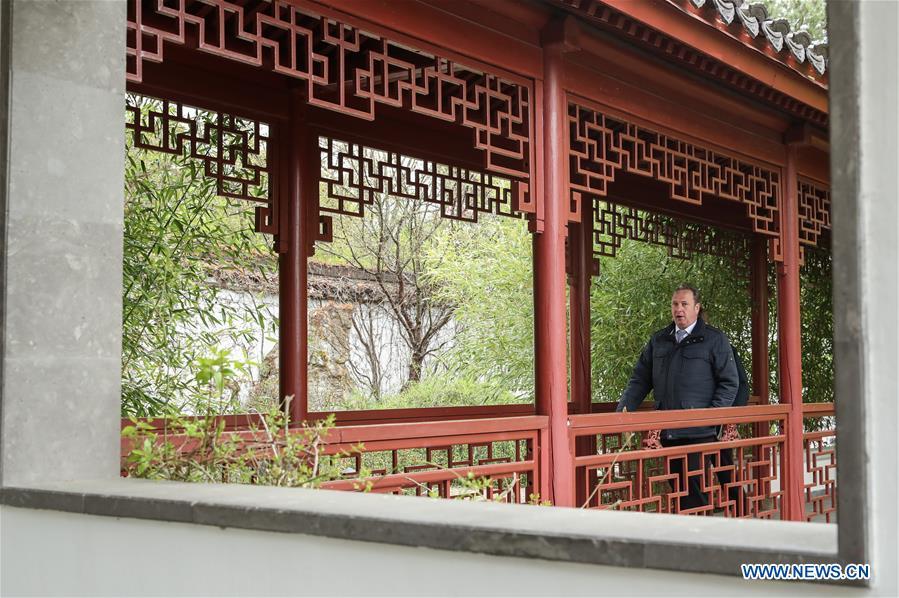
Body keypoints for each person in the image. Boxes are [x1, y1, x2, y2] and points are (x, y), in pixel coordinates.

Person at [616, 283, 739, 510]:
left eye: (684, 304)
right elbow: (640, 379)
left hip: (701, 431)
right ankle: (700, 533)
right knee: (680, 487)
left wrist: (711, 417)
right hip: (669, 430)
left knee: (692, 488)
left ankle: (702, 536)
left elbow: (730, 382)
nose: (678, 309)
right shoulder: (659, 340)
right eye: (675, 304)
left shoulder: (714, 339)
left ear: (697, 308)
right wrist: (623, 411)